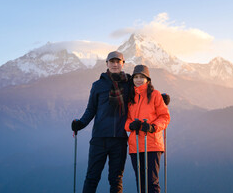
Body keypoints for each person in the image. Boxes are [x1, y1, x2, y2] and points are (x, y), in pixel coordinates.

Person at [71, 51, 131, 193]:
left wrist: (162, 98)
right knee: (92, 177)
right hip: (99, 139)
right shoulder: (98, 85)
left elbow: (145, 91)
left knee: (116, 179)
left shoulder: (129, 84)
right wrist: (80, 124)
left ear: (123, 63)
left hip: (120, 139)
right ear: (107, 64)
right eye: (112, 61)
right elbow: (91, 109)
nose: (115, 64)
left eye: (118, 61)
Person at [125, 65, 170, 193]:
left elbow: (165, 117)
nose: (138, 80)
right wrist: (130, 125)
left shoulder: (155, 95)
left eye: (142, 77)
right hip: (135, 146)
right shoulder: (130, 97)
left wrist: (153, 127)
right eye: (136, 77)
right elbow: (126, 120)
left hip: (152, 144)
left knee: (151, 182)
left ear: (148, 80)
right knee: (140, 182)